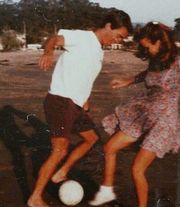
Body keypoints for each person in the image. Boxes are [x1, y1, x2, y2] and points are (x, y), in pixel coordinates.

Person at [27, 10, 132, 207]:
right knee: (59, 149)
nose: (119, 40)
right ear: (109, 26)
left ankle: (61, 173)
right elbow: (53, 38)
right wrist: (48, 52)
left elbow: (84, 75)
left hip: (75, 104)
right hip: (60, 100)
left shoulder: (99, 51)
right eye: (119, 35)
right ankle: (35, 198)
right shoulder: (82, 37)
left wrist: (85, 99)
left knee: (91, 139)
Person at [89, 22, 180, 207]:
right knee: (109, 148)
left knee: (137, 169)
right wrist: (126, 81)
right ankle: (106, 191)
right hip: (143, 113)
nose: (147, 51)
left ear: (160, 42)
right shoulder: (156, 59)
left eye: (148, 46)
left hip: (163, 122)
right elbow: (146, 74)